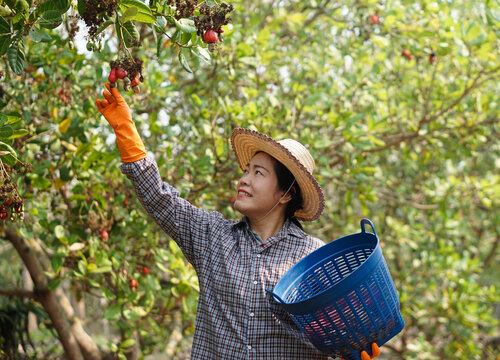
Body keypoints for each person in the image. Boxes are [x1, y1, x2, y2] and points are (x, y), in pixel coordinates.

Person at [95, 83, 380, 360]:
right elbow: (160, 199)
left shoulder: (313, 258)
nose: (243, 179)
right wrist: (125, 130)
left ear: (284, 194)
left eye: (258, 173)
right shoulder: (211, 236)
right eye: (246, 170)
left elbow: (333, 332)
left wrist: (352, 351)